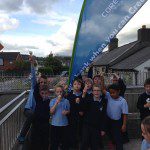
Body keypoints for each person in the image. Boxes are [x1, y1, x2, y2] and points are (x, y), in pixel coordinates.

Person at [17, 55, 47, 143]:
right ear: (38, 82)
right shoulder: (34, 87)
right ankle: (22, 135)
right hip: (28, 110)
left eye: (44, 82)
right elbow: (33, 75)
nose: (42, 83)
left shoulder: (45, 91)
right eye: (41, 82)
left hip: (36, 112)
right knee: (32, 115)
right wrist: (32, 63)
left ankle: (34, 138)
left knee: (39, 119)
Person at [101, 76, 128, 150]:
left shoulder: (122, 101)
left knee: (118, 138)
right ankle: (113, 145)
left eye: (113, 93)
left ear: (119, 91)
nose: (112, 94)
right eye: (110, 92)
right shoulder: (109, 96)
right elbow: (102, 89)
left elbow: (125, 114)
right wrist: (102, 79)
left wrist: (124, 125)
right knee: (109, 135)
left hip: (117, 122)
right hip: (108, 120)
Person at [80, 84, 107, 150]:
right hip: (87, 125)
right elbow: (81, 108)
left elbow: (104, 116)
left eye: (98, 90)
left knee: (95, 144)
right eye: (95, 90)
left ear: (101, 92)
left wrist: (103, 129)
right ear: (92, 92)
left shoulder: (104, 101)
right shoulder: (88, 99)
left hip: (97, 127)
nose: (96, 92)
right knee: (84, 142)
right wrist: (83, 95)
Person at [30, 84, 50, 150]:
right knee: (36, 142)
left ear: (48, 93)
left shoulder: (50, 101)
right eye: (42, 93)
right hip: (37, 124)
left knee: (45, 141)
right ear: (39, 93)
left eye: (46, 93)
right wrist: (38, 83)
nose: (44, 95)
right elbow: (35, 90)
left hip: (45, 125)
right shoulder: (38, 99)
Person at [50, 85, 70, 150]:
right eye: (57, 92)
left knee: (64, 143)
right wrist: (56, 102)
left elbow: (69, 111)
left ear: (63, 92)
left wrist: (66, 112)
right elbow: (51, 112)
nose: (59, 93)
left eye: (61, 92)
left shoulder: (66, 101)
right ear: (55, 92)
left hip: (64, 124)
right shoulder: (53, 101)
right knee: (54, 142)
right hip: (55, 124)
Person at [67, 78, 83, 149]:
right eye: (75, 84)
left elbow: (84, 107)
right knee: (71, 134)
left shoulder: (83, 95)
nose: (77, 86)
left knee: (78, 135)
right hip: (70, 118)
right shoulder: (69, 95)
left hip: (80, 119)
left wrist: (78, 104)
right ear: (72, 85)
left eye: (79, 84)